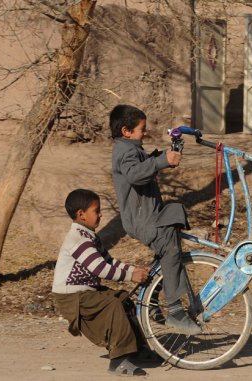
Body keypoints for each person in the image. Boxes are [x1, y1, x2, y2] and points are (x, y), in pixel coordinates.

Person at [109, 104, 201, 335]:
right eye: (141, 129)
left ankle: (151, 301)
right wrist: (162, 162)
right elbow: (134, 174)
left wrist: (163, 157)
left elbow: (141, 167)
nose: (145, 132)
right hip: (143, 219)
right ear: (125, 131)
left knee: (171, 238)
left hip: (149, 215)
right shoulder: (125, 151)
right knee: (170, 252)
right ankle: (176, 311)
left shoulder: (130, 148)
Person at [52, 188, 150, 376]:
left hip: (86, 291)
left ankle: (138, 349)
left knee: (124, 299)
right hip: (72, 296)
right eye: (96, 211)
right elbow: (100, 269)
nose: (100, 214)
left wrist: (133, 271)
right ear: (81, 215)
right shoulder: (78, 239)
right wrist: (130, 277)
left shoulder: (90, 236)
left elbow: (109, 261)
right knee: (113, 305)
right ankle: (118, 361)